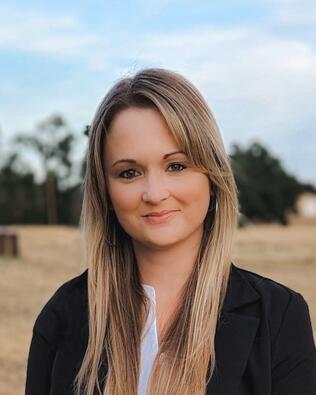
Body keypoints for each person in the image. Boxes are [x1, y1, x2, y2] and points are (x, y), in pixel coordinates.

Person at [25, 68, 316, 395]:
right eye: (129, 172)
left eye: (176, 166)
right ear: (104, 191)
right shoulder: (62, 317)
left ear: (212, 173)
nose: (154, 193)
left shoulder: (278, 317)